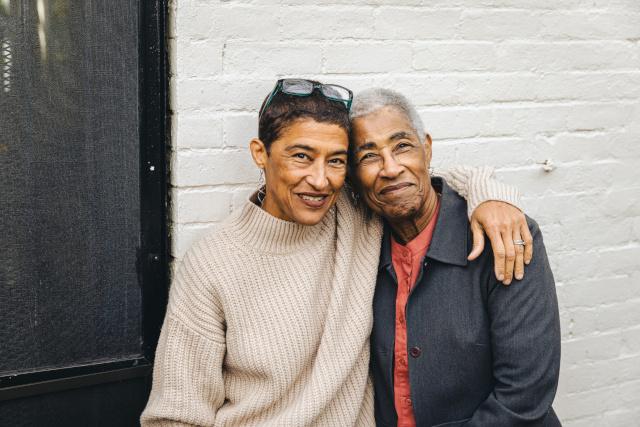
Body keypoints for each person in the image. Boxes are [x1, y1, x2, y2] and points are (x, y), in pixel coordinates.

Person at [140, 79, 532, 426]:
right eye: (301, 156)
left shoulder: (355, 215)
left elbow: (415, 177)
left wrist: (490, 196)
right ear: (260, 153)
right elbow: (175, 416)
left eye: (337, 161)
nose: (320, 180)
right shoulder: (212, 263)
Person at [349, 88, 561, 427]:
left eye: (402, 146)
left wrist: (490, 194)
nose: (390, 168)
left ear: (427, 148)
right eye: (368, 156)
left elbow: (524, 398)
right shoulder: (358, 248)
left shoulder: (504, 239)